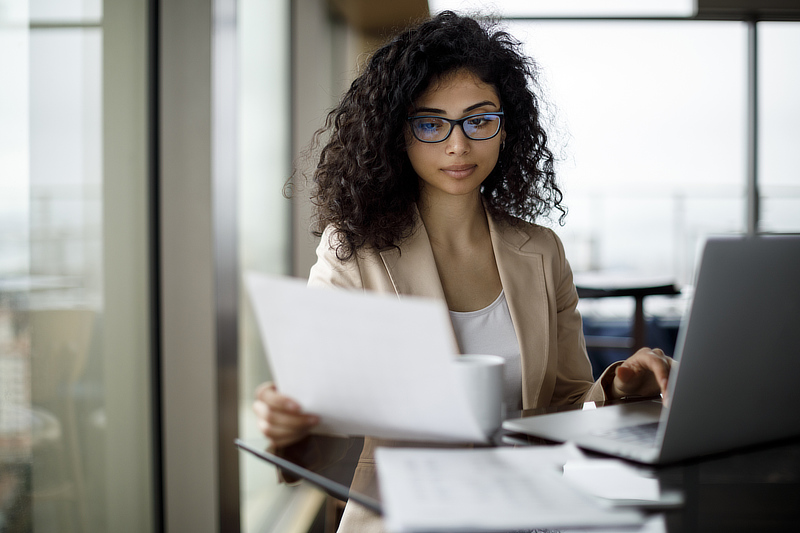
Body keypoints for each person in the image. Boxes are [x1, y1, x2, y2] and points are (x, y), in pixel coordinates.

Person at [253, 10, 673, 532]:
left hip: (527, 517)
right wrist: (293, 424)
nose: (458, 145)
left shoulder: (542, 252)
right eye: (431, 123)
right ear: (396, 133)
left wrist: (620, 388)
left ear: (505, 127)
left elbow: (567, 402)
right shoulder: (353, 252)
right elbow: (325, 423)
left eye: (479, 120)